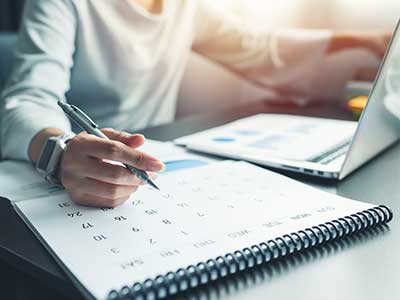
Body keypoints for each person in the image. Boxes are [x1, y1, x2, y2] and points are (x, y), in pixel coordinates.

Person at [0, 0, 390, 207]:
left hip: (156, 162)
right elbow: (29, 98)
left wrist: (362, 41)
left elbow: (259, 49)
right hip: (75, 175)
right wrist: (59, 150)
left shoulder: (185, 4)